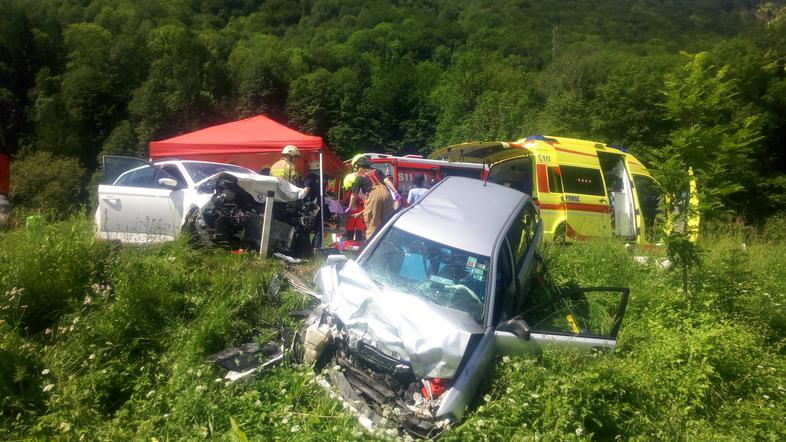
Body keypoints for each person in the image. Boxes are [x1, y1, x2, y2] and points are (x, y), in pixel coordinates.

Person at [347, 157, 394, 239]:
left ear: (359, 167)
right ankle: (388, 242)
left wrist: (350, 207)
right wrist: (395, 192)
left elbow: (354, 195)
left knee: (372, 224)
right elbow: (387, 181)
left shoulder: (359, 177)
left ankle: (371, 248)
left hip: (373, 194)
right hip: (387, 194)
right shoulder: (377, 171)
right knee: (387, 222)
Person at [302, 162, 323, 248]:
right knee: (318, 227)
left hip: (311, 206)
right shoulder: (321, 179)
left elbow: (305, 192)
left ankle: (306, 247)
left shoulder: (309, 179)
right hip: (319, 205)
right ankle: (316, 247)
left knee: (306, 226)